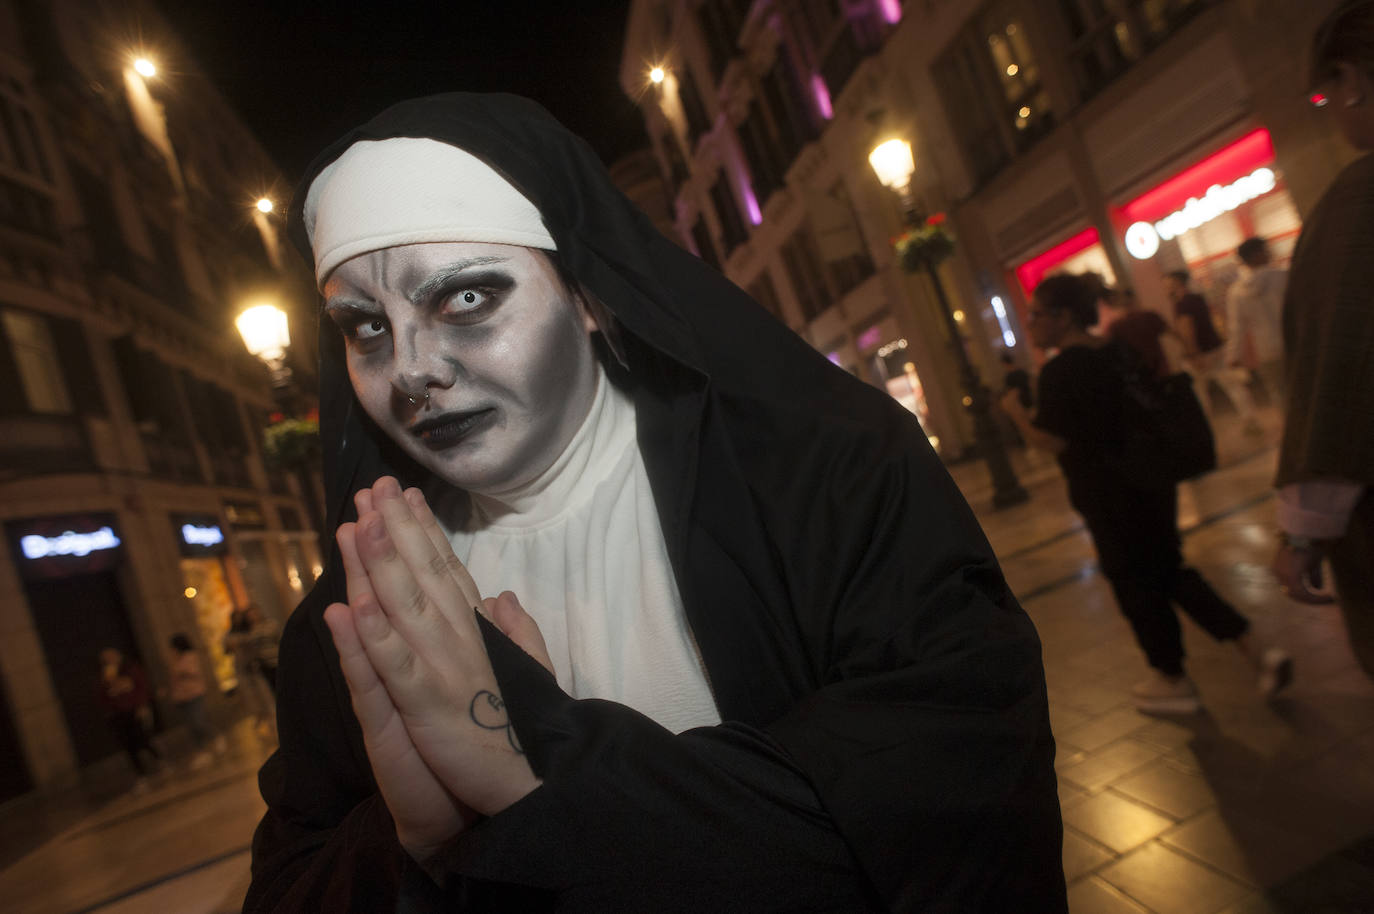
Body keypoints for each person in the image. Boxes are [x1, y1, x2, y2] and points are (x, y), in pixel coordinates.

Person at [244, 93, 1065, 912]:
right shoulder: (355, 610)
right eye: (367, 329)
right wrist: (411, 848)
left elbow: (957, 802)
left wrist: (539, 782)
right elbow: (289, 884)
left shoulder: (823, 480)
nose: (411, 369)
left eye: (465, 299)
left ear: (589, 297)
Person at [1000, 274, 1291, 714]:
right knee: (1168, 569)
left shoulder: (1062, 369)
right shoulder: (1116, 350)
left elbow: (1055, 441)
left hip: (1108, 493)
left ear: (1063, 317)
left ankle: (1171, 677)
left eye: (1037, 314)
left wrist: (1016, 416)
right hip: (1153, 479)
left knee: (1135, 580)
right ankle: (1254, 650)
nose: (1031, 323)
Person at [1272, 0, 1374, 679]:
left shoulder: (1358, 204)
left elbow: (1339, 372)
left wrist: (1305, 527)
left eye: (1325, 91)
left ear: (1353, 80)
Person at [1166, 269, 1260, 432]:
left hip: (1199, 354)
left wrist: (1193, 354)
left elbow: (1187, 330)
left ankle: (1205, 430)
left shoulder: (1182, 304)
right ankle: (1251, 420)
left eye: (1167, 283)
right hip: (1215, 347)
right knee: (1233, 386)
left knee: (1200, 395)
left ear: (1176, 283)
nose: (1166, 287)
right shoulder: (1198, 298)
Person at [1225, 237, 1287, 406]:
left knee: (1279, 394)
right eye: (1266, 250)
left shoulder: (1236, 292)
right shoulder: (1283, 277)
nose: (1269, 253)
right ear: (1257, 254)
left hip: (1266, 350)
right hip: (1293, 343)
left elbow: (1237, 327)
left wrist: (1233, 355)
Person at [97, 647, 163, 793]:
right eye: (105, 659)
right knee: (128, 746)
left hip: (133, 710)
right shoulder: (105, 675)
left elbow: (141, 686)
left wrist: (142, 705)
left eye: (111, 657)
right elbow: (103, 696)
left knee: (142, 738)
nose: (109, 661)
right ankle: (141, 774)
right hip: (118, 714)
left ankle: (158, 758)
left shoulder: (130, 669)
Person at [167, 633, 226, 768]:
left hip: (194, 693)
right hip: (181, 696)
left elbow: (193, 672)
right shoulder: (175, 659)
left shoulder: (190, 656)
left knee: (198, 721)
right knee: (191, 726)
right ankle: (202, 751)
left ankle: (215, 736)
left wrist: (181, 671)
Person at [224, 608, 277, 736]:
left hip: (257, 666)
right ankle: (262, 718)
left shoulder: (253, 630)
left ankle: (272, 719)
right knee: (251, 697)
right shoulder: (230, 634)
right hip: (243, 669)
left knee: (266, 694)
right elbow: (226, 648)